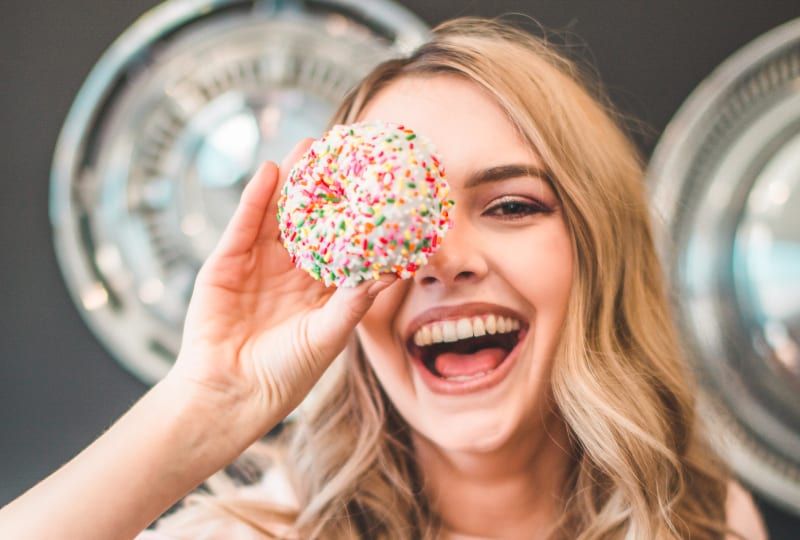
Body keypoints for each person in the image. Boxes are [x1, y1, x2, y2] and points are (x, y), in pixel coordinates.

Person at [0, 16, 769, 540]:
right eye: (396, 219)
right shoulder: (260, 533)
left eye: (509, 204)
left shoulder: (698, 515)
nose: (444, 256)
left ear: (596, 247)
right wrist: (206, 406)